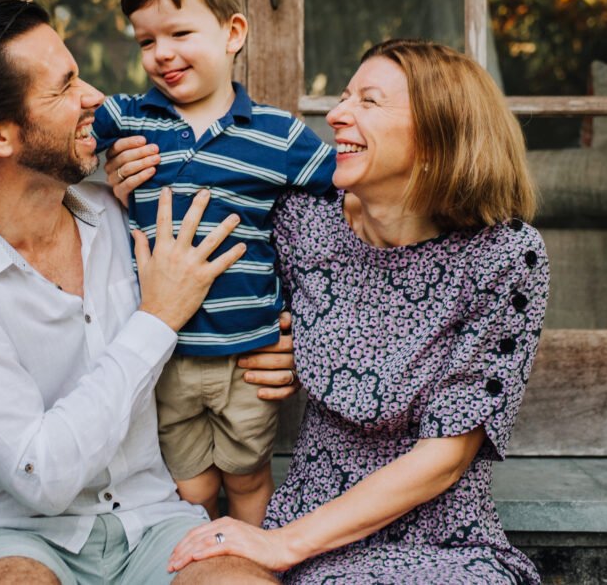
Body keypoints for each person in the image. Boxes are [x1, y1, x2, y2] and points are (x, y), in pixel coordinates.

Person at [107, 39, 549, 584]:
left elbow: (447, 455)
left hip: (442, 540)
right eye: (344, 97)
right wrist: (132, 186)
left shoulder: (504, 256)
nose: (336, 115)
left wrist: (282, 543)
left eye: (368, 101)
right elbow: (198, 256)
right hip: (310, 522)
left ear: (439, 139)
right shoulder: (301, 222)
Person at [0, 0, 293, 585]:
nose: (95, 97)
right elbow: (41, 476)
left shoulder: (130, 211)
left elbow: (263, 249)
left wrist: (282, 347)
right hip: (11, 532)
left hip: (158, 522)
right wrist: (157, 318)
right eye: (65, 86)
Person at [0, 0, 336, 527]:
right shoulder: (128, 119)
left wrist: (317, 326)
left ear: (233, 33)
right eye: (146, 41)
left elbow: (349, 197)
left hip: (248, 356)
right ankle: (198, 555)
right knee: (191, 484)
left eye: (180, 33)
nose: (161, 53)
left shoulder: (278, 135)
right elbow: (34, 140)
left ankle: (255, 556)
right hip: (165, 356)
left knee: (248, 475)